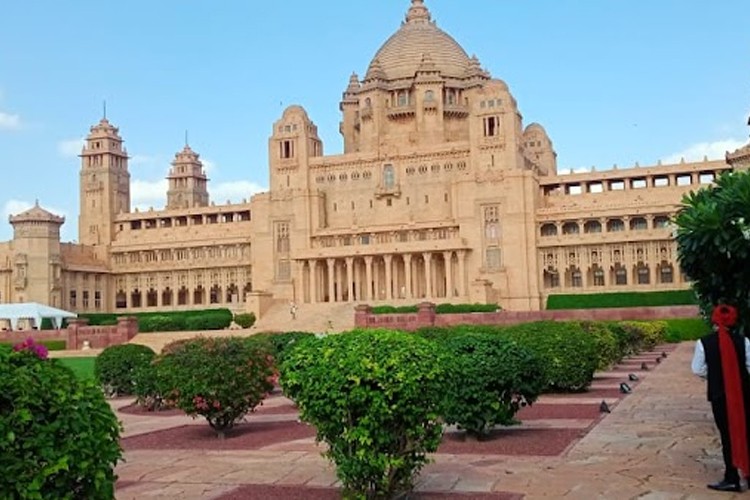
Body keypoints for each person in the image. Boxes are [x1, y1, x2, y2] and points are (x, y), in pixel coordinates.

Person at [692, 304, 750, 492]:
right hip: (743, 395)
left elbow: (698, 369)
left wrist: (716, 374)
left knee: (727, 436)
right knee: (745, 433)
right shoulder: (744, 341)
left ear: (714, 319)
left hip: (719, 395)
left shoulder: (704, 343)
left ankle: (732, 477)